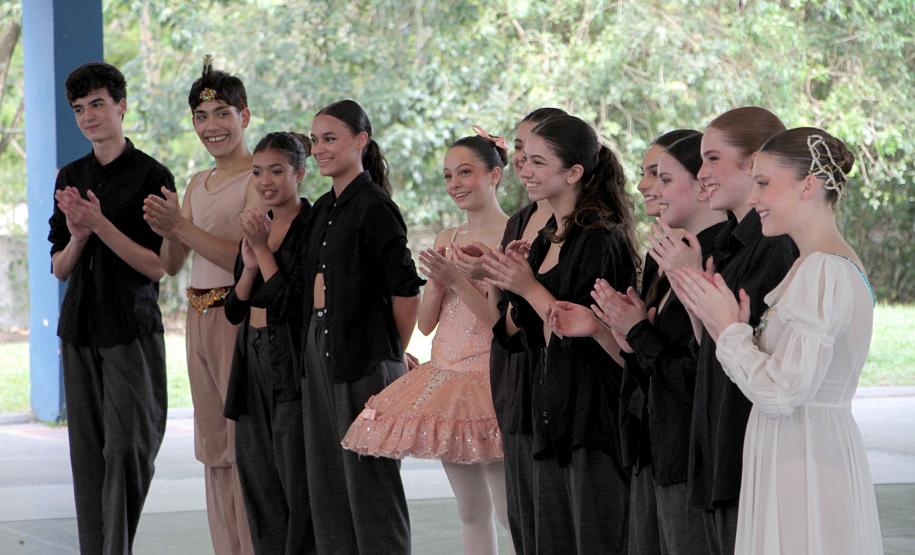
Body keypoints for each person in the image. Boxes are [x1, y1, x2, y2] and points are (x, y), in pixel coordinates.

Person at [669, 127, 884, 554]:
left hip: (804, 458)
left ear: (809, 185)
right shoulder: (812, 266)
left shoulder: (823, 269)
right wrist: (722, 325)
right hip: (793, 449)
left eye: (764, 184)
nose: (753, 198)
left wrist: (729, 331)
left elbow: (782, 392)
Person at [343, 131, 510, 555]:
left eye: (466, 172)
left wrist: (464, 279)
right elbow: (427, 323)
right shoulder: (446, 238)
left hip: (491, 379)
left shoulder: (513, 235)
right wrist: (437, 282)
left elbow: (500, 324)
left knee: (510, 510)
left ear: (495, 174)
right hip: (446, 381)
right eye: (449, 175)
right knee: (470, 510)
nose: (455, 183)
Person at [483, 114, 639, 554]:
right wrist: (508, 280)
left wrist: (527, 286)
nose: (524, 170)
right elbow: (518, 335)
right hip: (545, 410)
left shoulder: (600, 238)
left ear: (573, 172)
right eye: (523, 159)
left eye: (537, 162)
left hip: (591, 417)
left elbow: (575, 333)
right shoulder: (543, 237)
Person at [648, 106, 797, 555]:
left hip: (745, 440)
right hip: (716, 437)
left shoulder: (774, 246)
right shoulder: (731, 247)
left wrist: (691, 284)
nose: (703, 171)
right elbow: (712, 346)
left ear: (754, 163)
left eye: (712, 158)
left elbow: (753, 353)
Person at [49, 61, 174, 554]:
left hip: (131, 328)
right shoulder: (70, 175)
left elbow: (157, 266)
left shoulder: (152, 174)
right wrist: (79, 235)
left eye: (98, 104)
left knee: (128, 448)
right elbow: (59, 267)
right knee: (89, 458)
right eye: (79, 109)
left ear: (121, 105)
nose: (88, 117)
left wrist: (100, 226)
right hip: (79, 328)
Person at [587, 132, 723, 554]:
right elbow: (652, 358)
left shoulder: (719, 258)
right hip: (653, 443)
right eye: (650, 176)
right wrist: (623, 332)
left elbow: (700, 373)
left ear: (703, 184)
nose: (648, 188)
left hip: (689, 452)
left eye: (662, 178)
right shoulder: (663, 258)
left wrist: (639, 333)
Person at [143, 56, 257, 555]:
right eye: (201, 117)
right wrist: (166, 227)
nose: (211, 127)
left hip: (237, 317)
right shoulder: (195, 183)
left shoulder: (261, 177)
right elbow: (171, 263)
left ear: (244, 117)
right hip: (196, 317)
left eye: (222, 114)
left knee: (243, 443)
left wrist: (181, 227)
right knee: (212, 447)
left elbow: (242, 262)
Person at [301, 99, 424, 553]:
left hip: (366, 354)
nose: (319, 149)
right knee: (329, 481)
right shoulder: (322, 207)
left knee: (370, 486)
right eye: (314, 140)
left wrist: (388, 358)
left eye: (329, 139)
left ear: (361, 141)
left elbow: (407, 292)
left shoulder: (375, 207)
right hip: (320, 344)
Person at [450, 106, 567, 554]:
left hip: (548, 371)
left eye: (534, 152)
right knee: (511, 510)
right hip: (509, 367)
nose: (524, 160)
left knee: (535, 506)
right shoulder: (520, 222)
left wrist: (483, 278)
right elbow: (501, 317)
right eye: (519, 149)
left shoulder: (570, 226)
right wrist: (481, 272)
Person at [223, 132, 315, 554]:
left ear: (299, 172)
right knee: (256, 473)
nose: (265, 181)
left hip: (290, 359)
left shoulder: (312, 226)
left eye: (277, 171)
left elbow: (290, 301)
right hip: (251, 356)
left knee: (293, 475)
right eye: (258, 172)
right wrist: (249, 263)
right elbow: (234, 310)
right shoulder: (258, 224)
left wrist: (262, 249)